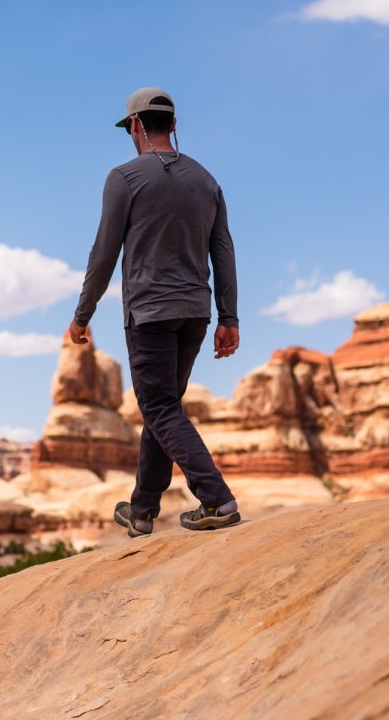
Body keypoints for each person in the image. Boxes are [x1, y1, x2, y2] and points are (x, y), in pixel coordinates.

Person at [67, 87, 241, 537]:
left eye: (129, 129)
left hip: (150, 313)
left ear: (137, 126)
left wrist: (82, 313)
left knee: (160, 407)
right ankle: (142, 510)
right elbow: (223, 251)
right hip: (196, 314)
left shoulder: (123, 178)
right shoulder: (206, 180)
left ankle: (217, 500)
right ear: (174, 125)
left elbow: (104, 252)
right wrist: (229, 317)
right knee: (164, 407)